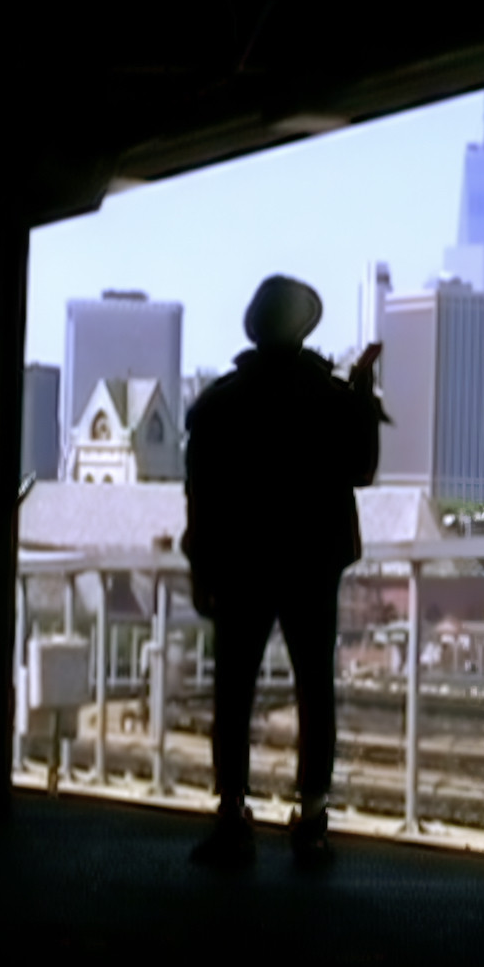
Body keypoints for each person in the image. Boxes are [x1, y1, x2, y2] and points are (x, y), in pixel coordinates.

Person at [182, 274, 385, 871]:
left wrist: (201, 569)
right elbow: (362, 469)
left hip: (240, 563)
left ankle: (232, 816)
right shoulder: (330, 397)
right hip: (312, 562)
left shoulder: (219, 404)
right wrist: (362, 393)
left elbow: (201, 498)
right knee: (314, 689)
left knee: (233, 692)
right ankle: (312, 820)